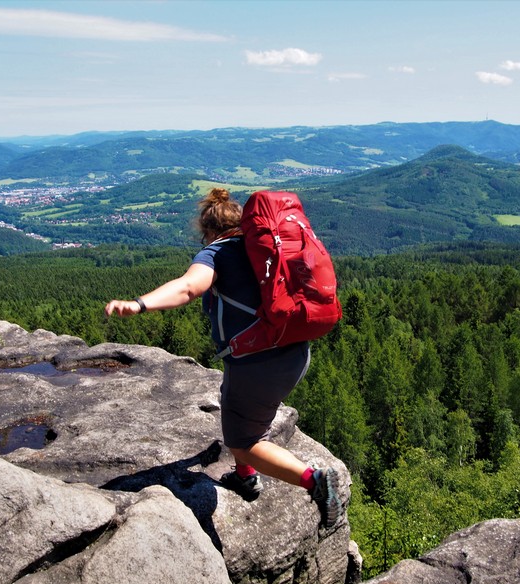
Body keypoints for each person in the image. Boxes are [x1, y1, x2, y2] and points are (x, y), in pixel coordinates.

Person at [104, 188, 343, 528]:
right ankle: (244, 476)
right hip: (296, 351)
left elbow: (188, 287)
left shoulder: (216, 254)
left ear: (209, 232)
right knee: (235, 403)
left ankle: (314, 481)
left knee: (245, 442)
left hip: (259, 363)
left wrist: (140, 304)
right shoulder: (264, 249)